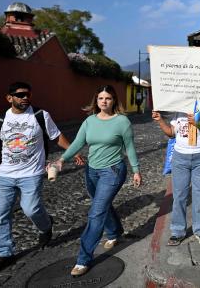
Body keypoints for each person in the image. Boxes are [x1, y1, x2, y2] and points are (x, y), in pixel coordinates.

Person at [0, 81, 83, 272]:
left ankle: (46, 225)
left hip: (32, 173)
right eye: (20, 95)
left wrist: (73, 151)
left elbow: (56, 136)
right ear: (9, 98)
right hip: (5, 175)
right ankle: (4, 252)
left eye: (28, 94)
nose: (25, 98)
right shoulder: (0, 119)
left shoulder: (40, 115)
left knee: (31, 209)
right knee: (0, 215)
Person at [55, 85, 142, 277]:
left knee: (96, 212)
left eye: (108, 98)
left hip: (113, 171)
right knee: (102, 205)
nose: (104, 101)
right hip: (92, 171)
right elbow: (78, 143)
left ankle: (83, 259)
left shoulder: (122, 122)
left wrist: (136, 170)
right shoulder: (89, 121)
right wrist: (61, 160)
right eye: (101, 98)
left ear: (114, 101)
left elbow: (129, 147)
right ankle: (114, 233)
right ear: (96, 101)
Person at [151, 109, 200, 246]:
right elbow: (171, 133)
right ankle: (177, 231)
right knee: (179, 195)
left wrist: (199, 123)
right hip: (180, 158)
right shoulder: (178, 108)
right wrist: (160, 120)